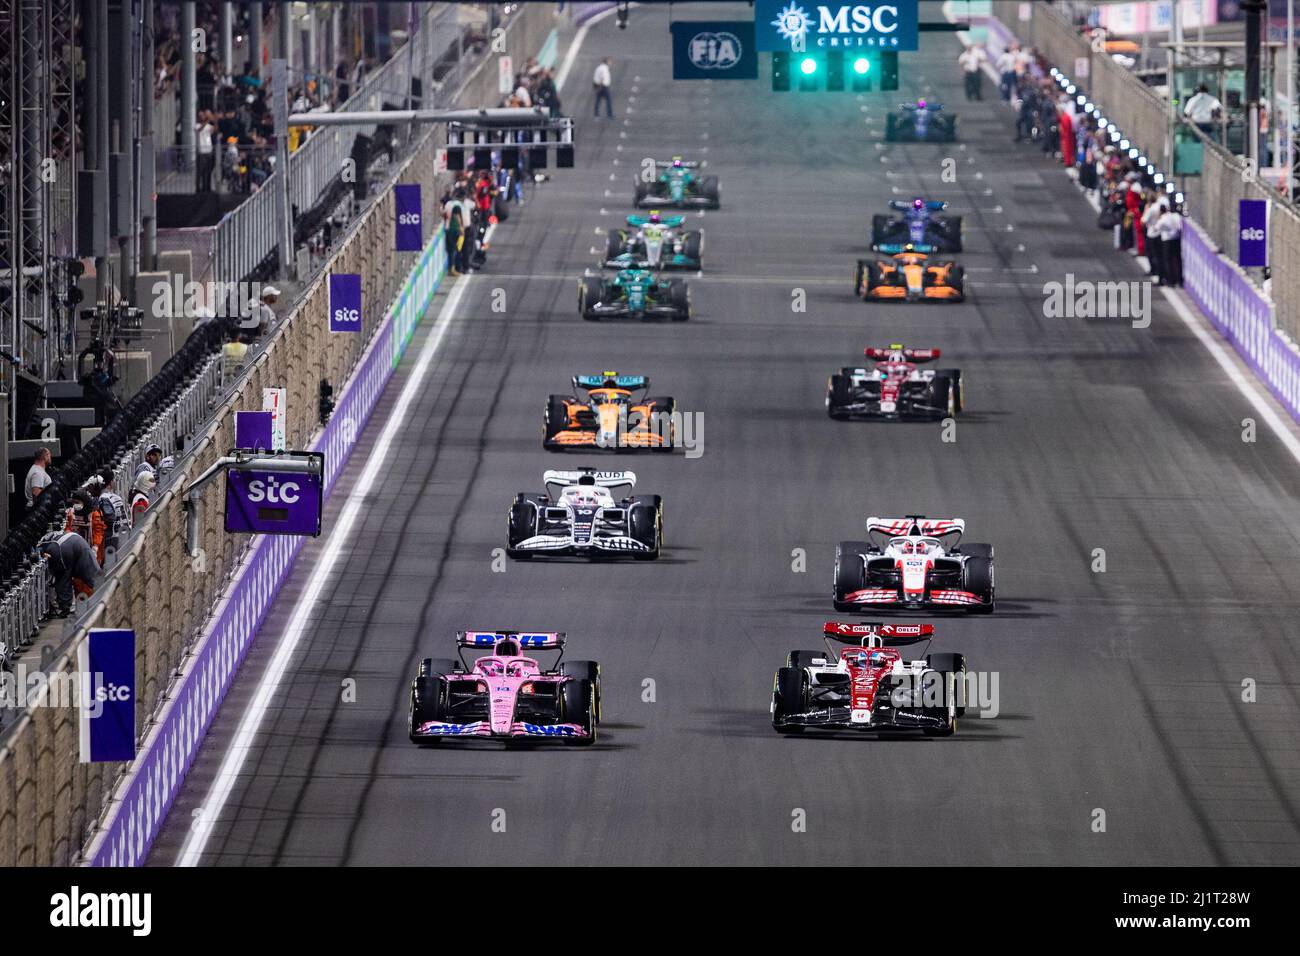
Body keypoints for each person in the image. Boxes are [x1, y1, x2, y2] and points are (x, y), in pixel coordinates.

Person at [39, 530, 100, 618]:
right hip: (77, 539)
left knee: (62, 578)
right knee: (92, 573)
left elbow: (40, 554)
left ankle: (65, 609)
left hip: (61, 547)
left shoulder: (39, 544)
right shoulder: (49, 536)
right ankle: (107, 590)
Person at [1156, 203, 1184, 287]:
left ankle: (1171, 280)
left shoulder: (1163, 218)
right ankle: (1179, 280)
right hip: (1176, 239)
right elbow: (1180, 227)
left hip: (1167, 241)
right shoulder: (1176, 216)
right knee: (1178, 260)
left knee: (1168, 261)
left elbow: (1156, 228)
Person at [196, 111, 217, 192]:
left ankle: (207, 187)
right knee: (201, 171)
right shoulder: (197, 125)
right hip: (201, 152)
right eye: (200, 116)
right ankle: (199, 188)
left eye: (203, 115)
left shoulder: (208, 126)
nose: (202, 117)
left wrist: (215, 120)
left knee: (208, 171)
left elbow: (215, 129)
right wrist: (208, 120)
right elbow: (200, 129)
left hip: (209, 151)